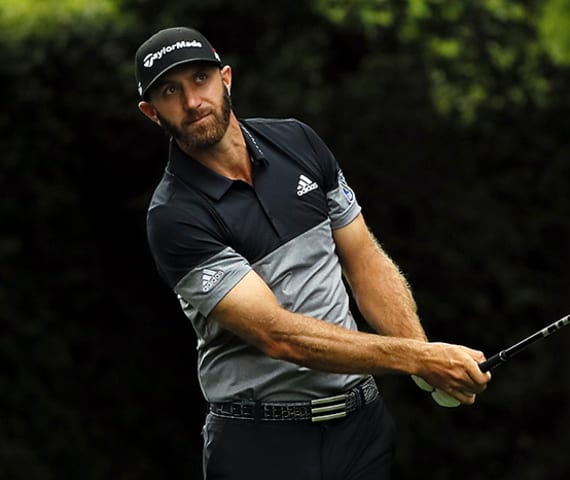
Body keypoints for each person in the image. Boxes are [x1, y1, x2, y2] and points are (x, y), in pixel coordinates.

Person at [134, 26, 491, 480]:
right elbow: (277, 335)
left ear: (225, 78)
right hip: (261, 446)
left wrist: (425, 359)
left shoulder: (298, 143)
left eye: (200, 79)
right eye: (170, 91)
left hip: (362, 430)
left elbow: (364, 262)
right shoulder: (174, 215)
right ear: (151, 111)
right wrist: (417, 358)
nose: (192, 101)